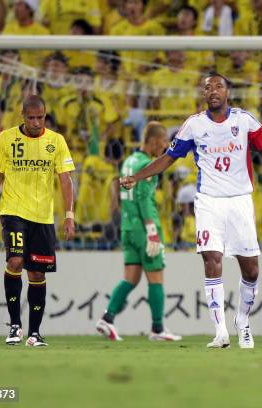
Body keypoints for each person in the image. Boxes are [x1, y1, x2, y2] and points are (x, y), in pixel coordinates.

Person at [120, 73, 262, 349]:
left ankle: (242, 321)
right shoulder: (193, 126)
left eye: (218, 86)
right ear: (203, 94)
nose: (213, 91)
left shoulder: (244, 120)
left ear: (228, 91)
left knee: (252, 269)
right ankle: (220, 331)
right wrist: (138, 176)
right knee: (211, 259)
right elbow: (168, 159)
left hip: (240, 200)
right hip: (208, 201)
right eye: (207, 87)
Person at [0, 95, 75, 347]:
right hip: (13, 211)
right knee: (14, 261)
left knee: (36, 272)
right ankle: (15, 325)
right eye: (31, 118)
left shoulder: (56, 141)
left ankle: (34, 333)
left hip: (43, 216)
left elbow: (66, 179)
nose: (36, 122)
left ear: (45, 115)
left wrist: (69, 216)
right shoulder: (6, 139)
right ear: (22, 116)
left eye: (40, 117)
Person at [96, 122, 182, 342]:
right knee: (156, 279)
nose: (164, 148)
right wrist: (152, 232)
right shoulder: (146, 165)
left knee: (131, 279)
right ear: (154, 141)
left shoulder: (129, 161)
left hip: (127, 226)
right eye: (163, 143)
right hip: (145, 229)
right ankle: (158, 328)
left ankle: (107, 318)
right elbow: (144, 199)